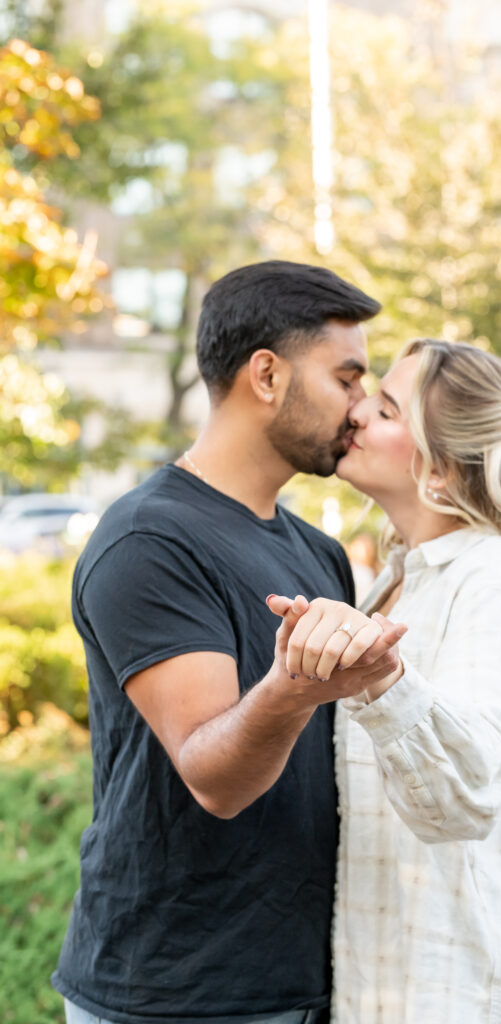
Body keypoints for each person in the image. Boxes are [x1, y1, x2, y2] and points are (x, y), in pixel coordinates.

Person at [51, 260, 407, 1024]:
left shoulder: (319, 552)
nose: (358, 407)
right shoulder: (148, 540)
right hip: (172, 994)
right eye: (346, 378)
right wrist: (292, 690)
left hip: (308, 982)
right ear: (267, 376)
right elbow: (216, 777)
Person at [269, 339, 501, 1023]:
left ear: (444, 468)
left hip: (478, 996)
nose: (356, 413)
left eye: (387, 409)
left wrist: (384, 681)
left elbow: (464, 797)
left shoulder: (493, 580)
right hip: (394, 990)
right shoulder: (398, 579)